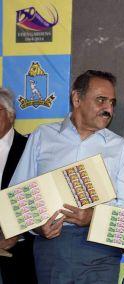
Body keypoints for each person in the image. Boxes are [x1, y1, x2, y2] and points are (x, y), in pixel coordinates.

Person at [10, 70, 124, 283]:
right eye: (101, 100)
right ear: (76, 98)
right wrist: (36, 228)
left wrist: (92, 217)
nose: (109, 109)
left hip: (100, 249)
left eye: (112, 103)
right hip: (52, 248)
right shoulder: (42, 136)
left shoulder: (121, 148)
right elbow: (19, 197)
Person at [0, 88, 37, 284]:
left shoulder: (30, 148)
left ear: (10, 115)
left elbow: (40, 197)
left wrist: (18, 232)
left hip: (20, 252)